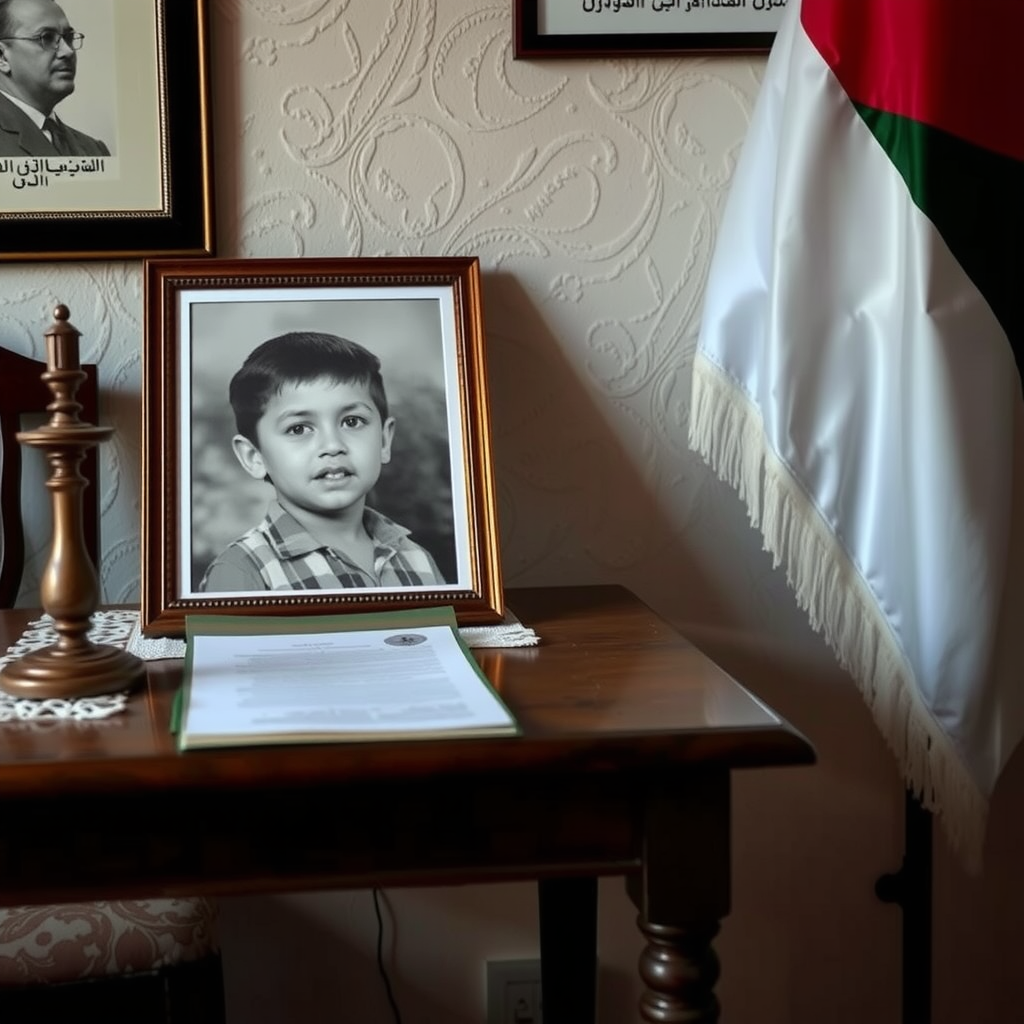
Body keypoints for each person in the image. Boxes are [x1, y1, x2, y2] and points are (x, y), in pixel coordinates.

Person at [199, 331, 448, 592]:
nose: (332, 446)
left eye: (352, 422)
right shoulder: (241, 571)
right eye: (298, 429)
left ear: (384, 441)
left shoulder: (417, 558)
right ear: (254, 457)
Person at [0, 0, 109, 158]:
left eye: (69, 37)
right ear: (2, 57)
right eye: (46, 38)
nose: (68, 51)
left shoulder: (94, 150)